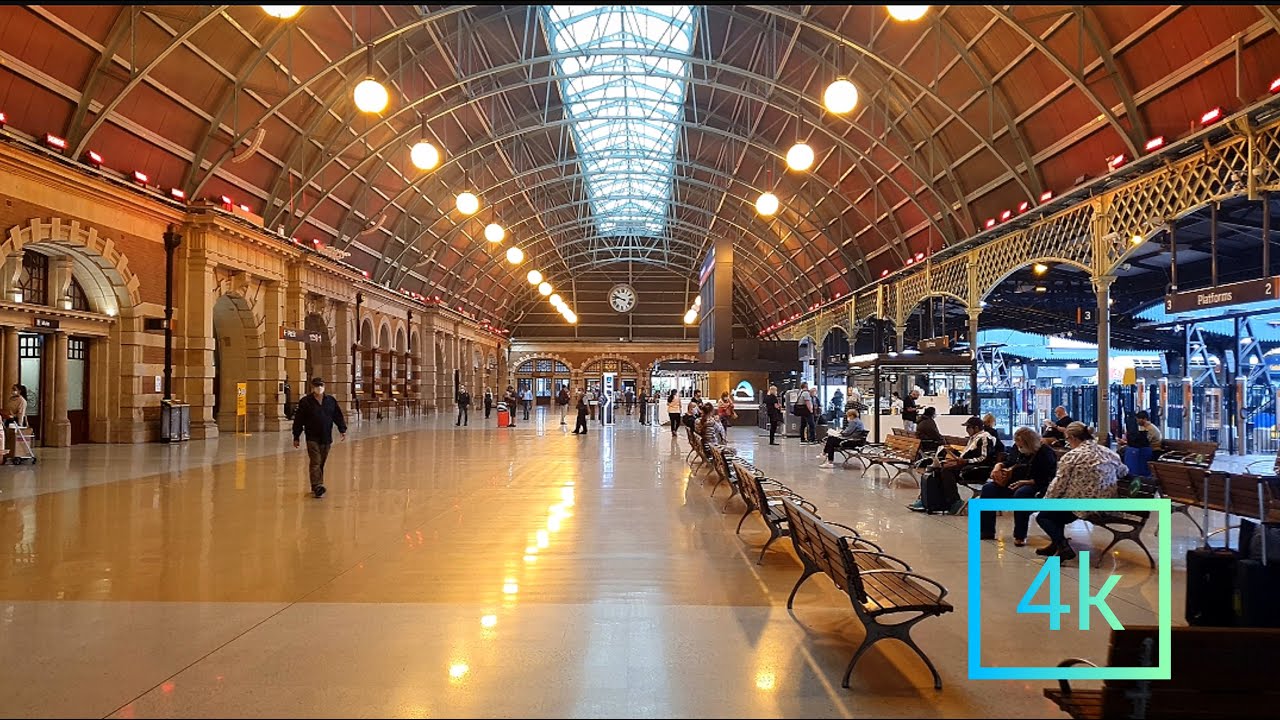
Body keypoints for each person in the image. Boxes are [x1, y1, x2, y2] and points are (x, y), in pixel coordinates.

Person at [1034, 422, 1126, 561]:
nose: (1067, 443)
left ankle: (1063, 546)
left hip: (1081, 506)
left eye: (1067, 439)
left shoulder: (1072, 456)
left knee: (1044, 516)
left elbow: (1059, 483)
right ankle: (1057, 545)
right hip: (1106, 504)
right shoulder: (1108, 452)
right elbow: (1123, 472)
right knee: (1055, 513)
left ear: (1073, 438)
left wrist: (1046, 501)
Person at [978, 427, 1059, 545]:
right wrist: (999, 466)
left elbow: (1048, 479)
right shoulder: (1017, 449)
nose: (1019, 448)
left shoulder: (1045, 453)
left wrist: (1025, 482)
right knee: (988, 489)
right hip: (1014, 482)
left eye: (1021, 446)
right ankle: (986, 531)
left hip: (1036, 485)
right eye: (1018, 446)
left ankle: (1020, 535)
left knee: (1021, 494)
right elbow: (1009, 462)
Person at [910, 416, 995, 515]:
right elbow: (965, 455)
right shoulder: (973, 438)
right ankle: (929, 500)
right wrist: (953, 452)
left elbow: (983, 458)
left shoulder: (984, 437)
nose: (966, 430)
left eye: (968, 427)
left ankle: (954, 502)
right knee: (937, 469)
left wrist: (965, 461)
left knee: (947, 470)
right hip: (968, 466)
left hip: (977, 470)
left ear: (976, 428)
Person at [291, 377, 348, 499]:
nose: (319, 388)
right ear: (312, 387)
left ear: (324, 386)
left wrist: (342, 429)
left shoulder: (330, 401)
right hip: (312, 436)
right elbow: (299, 420)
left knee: (321, 462)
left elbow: (337, 415)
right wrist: (296, 436)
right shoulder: (305, 402)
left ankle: (317, 484)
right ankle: (317, 485)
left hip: (326, 436)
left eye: (321, 385)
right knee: (315, 461)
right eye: (317, 386)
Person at [2, 384, 29, 460]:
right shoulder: (11, 399)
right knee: (9, 437)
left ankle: (19, 453)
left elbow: (21, 413)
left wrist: (20, 424)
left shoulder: (22, 401)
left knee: (16, 438)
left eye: (14, 389)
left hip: (17, 421)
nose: (12, 391)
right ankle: (9, 452)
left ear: (19, 391)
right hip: (9, 420)